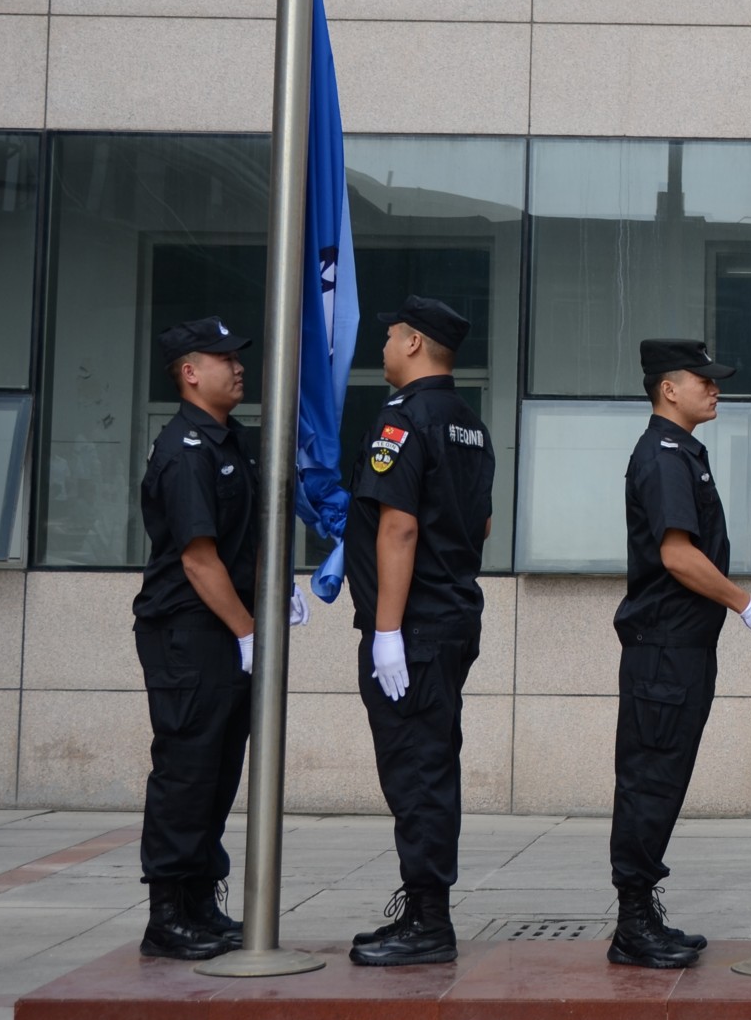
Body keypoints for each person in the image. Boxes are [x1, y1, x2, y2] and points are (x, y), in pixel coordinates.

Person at [608, 338, 751, 968]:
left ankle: (642, 914)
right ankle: (632, 925)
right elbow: (677, 555)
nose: (714, 388)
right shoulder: (663, 456)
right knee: (650, 781)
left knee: (663, 779)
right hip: (664, 650)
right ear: (668, 389)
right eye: (702, 380)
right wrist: (745, 604)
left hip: (681, 649)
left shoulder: (682, 450)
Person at [132, 317, 302, 960]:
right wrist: (249, 631)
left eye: (237, 356)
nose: (237, 367)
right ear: (189, 372)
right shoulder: (185, 450)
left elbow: (249, 539)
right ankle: (167, 913)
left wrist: (274, 592)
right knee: (187, 771)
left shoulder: (234, 442)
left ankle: (201, 902)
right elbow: (199, 559)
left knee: (220, 770)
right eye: (222, 358)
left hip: (227, 627)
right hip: (190, 631)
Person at [343, 296, 496, 967]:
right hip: (452, 616)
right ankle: (421, 909)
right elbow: (480, 524)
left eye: (389, 337)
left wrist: (387, 631)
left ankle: (429, 923)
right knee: (428, 765)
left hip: (414, 631)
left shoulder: (403, 419)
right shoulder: (470, 424)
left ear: (412, 343)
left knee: (417, 773)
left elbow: (399, 527)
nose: (382, 349)